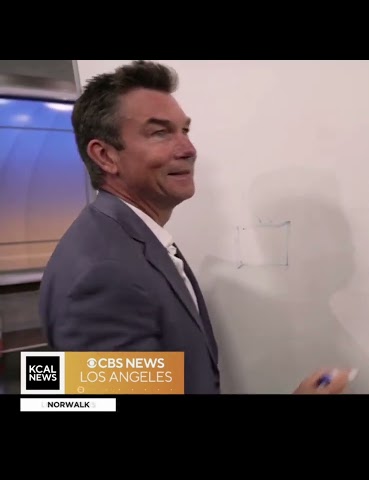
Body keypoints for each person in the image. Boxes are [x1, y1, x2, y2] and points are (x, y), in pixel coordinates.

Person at [38, 60, 352, 394]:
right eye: (160, 132)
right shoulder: (103, 273)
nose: (188, 149)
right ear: (105, 156)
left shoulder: (134, 241)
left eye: (184, 131)